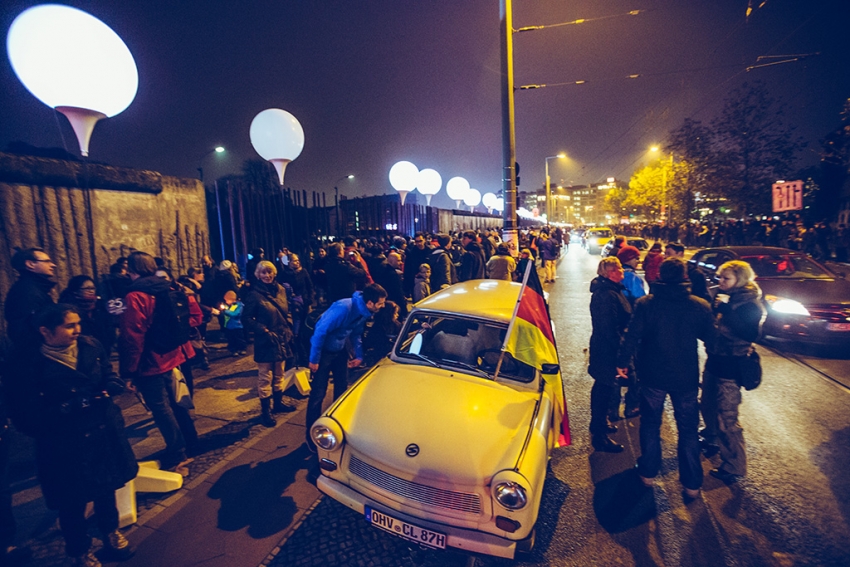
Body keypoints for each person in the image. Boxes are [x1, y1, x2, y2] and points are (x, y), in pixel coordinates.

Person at [33, 304, 137, 566]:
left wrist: (112, 383)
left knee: (106, 489)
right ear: (45, 331)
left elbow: (107, 373)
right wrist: (67, 407)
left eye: (78, 323)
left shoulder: (90, 346)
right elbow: (25, 412)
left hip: (101, 430)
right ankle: (79, 550)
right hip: (64, 442)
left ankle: (110, 532)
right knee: (72, 501)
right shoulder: (31, 362)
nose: (77, 330)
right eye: (69, 326)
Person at [616, 257, 716, 500]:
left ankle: (648, 473)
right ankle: (692, 484)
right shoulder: (699, 305)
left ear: (660, 275)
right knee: (688, 429)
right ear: (684, 276)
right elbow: (712, 341)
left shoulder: (646, 304)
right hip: (685, 376)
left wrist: (622, 362)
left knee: (650, 424)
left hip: (653, 375)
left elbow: (632, 335)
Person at [119, 252, 197, 475]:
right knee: (177, 402)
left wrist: (129, 371)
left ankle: (177, 453)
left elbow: (132, 336)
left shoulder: (135, 296)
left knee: (161, 409)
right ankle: (191, 442)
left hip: (151, 361)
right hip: (174, 354)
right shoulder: (169, 286)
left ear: (131, 270)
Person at [701, 261, 766, 484]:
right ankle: (711, 437)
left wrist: (727, 312)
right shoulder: (723, 297)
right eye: (720, 277)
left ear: (740, 279)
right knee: (707, 403)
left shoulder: (749, 304)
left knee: (727, 417)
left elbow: (751, 334)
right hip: (715, 360)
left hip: (731, 365)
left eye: (726, 278)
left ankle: (735, 465)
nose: (720, 282)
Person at [306, 284, 387, 455]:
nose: (382, 306)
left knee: (342, 389)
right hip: (324, 352)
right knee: (318, 393)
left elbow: (356, 334)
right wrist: (314, 360)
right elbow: (320, 332)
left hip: (339, 349)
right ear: (370, 303)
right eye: (380, 303)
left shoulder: (363, 312)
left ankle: (336, 426)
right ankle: (311, 435)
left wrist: (358, 355)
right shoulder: (344, 308)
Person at [243, 261, 298, 426]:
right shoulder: (254, 294)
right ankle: (265, 412)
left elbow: (286, 310)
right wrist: (263, 329)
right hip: (266, 339)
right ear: (258, 275)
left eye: (269, 272)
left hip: (281, 337)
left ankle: (278, 404)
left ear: (274, 273)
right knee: (265, 377)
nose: (267, 275)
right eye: (263, 273)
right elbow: (246, 318)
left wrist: (289, 327)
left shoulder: (281, 290)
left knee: (279, 374)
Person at [588, 257, 632, 453]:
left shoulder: (611, 290)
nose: (622, 271)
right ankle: (600, 437)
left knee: (603, 387)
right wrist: (619, 353)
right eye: (618, 268)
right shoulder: (606, 295)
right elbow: (609, 328)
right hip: (607, 349)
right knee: (603, 389)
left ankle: (599, 423)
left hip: (605, 346)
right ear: (609, 273)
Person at [362, 300, 401, 367]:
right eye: (395, 313)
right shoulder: (395, 325)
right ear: (389, 314)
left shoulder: (375, 325)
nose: (397, 315)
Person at [222, 290, 247, 356]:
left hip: (237, 325)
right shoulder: (229, 306)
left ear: (232, 299)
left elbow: (235, 314)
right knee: (231, 339)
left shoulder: (239, 305)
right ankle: (233, 350)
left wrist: (225, 311)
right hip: (228, 326)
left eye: (227, 300)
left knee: (239, 338)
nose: (226, 302)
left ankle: (242, 348)